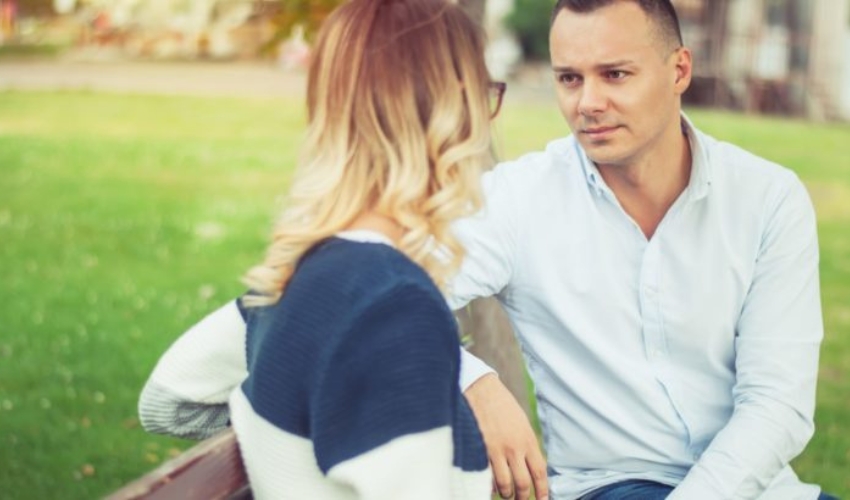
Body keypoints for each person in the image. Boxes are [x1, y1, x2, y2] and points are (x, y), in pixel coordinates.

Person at [456, 0, 832, 499]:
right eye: (570, 79)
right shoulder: (517, 200)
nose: (588, 102)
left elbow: (777, 403)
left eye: (614, 74)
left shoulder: (768, 200)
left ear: (679, 69)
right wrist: (475, 383)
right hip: (609, 486)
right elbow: (390, 295)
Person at [137, 0, 504, 498]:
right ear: (452, 111)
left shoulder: (289, 281)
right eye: (486, 94)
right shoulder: (398, 308)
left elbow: (168, 399)